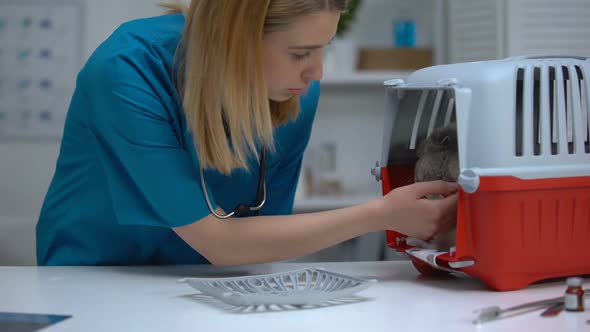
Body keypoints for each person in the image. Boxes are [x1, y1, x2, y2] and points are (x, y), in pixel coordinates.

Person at [36, 0, 458, 266]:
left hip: (208, 285)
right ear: (235, 41)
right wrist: (381, 214)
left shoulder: (295, 93)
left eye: (321, 49)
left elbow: (263, 237)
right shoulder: (127, 71)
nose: (316, 72)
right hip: (95, 280)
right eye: (300, 53)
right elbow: (218, 242)